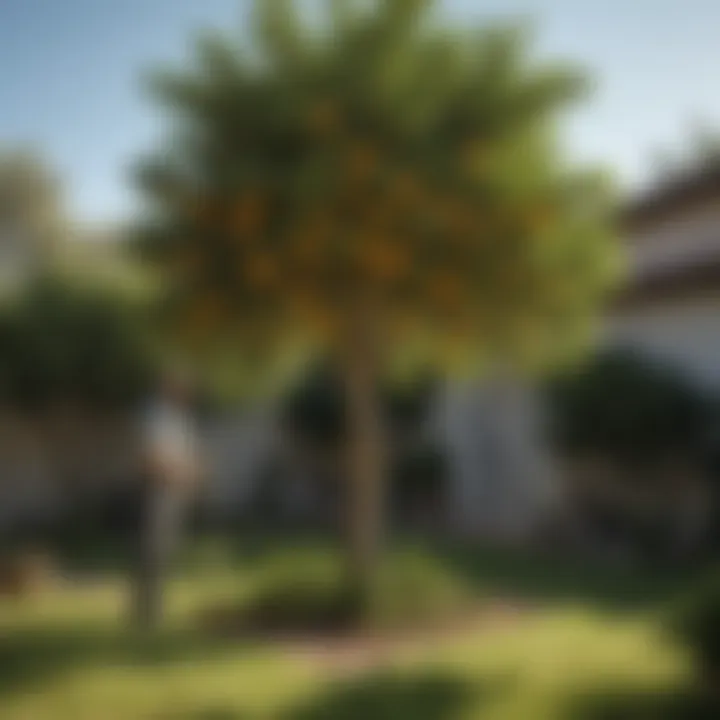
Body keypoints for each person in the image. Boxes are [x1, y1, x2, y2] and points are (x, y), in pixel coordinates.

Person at [132, 368, 202, 628]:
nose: (184, 392)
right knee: (153, 551)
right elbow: (149, 456)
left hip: (177, 491)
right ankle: (147, 613)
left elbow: (187, 453)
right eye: (178, 386)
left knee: (166, 551)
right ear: (167, 387)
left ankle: (156, 607)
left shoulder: (180, 419)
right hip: (159, 491)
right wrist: (173, 474)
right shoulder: (156, 416)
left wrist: (193, 475)